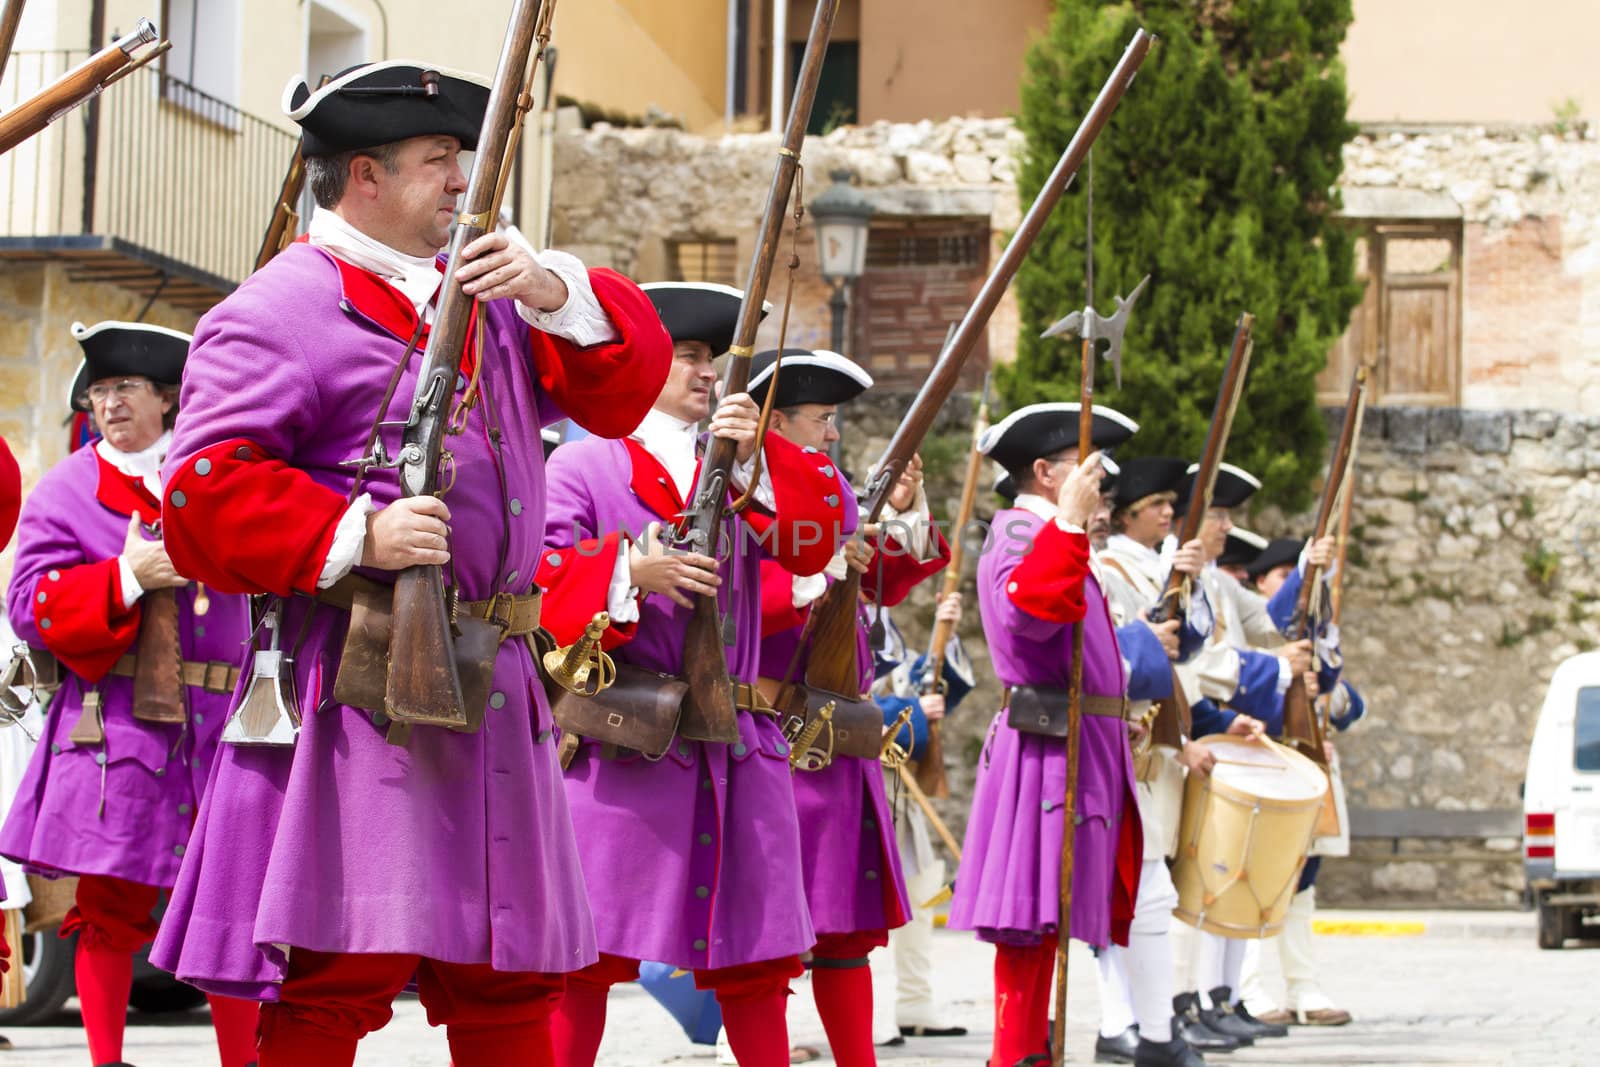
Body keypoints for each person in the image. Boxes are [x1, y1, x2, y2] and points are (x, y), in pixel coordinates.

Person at [148, 61, 672, 1067]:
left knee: (506, 965)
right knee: (338, 966)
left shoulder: (482, 301)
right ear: (364, 176)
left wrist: (552, 285)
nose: (462, 186)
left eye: (463, 162)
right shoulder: (278, 308)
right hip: (368, 677)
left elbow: (618, 393)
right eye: (439, 162)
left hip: (499, 674)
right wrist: (358, 535)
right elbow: (203, 493)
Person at [537, 284, 850, 1067]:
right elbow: (537, 581)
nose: (706, 372)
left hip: (739, 746)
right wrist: (629, 570)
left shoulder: (745, 470)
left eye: (712, 358)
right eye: (688, 355)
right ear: (644, 360)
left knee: (756, 961)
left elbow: (815, 544)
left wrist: (761, 459)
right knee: (584, 958)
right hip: (626, 740)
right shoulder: (583, 462)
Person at [1, 322, 260, 1067]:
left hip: (217, 735)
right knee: (107, 912)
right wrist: (126, 575)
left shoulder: (213, 477)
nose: (109, 404)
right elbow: (30, 603)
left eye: (126, 389)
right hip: (112, 733)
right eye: (101, 391)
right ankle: (106, 1061)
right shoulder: (67, 489)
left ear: (168, 400)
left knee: (228, 912)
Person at [748, 347, 950, 1066]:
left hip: (835, 729)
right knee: (763, 933)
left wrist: (899, 514)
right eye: (821, 418)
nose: (833, 434)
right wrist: (827, 566)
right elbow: (742, 594)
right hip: (771, 730)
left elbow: (885, 582)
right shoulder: (742, 489)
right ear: (779, 420)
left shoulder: (830, 488)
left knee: (844, 929)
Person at [948, 402, 1144, 1067]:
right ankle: (1015, 1054)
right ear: (1044, 472)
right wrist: (1066, 525)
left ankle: (1032, 1050)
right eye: (1084, 473)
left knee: (1047, 925)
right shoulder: (1021, 534)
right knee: (1027, 924)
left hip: (1079, 745)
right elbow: (1026, 615)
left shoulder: (1056, 537)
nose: (1099, 492)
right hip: (1045, 751)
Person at [1091, 457, 1228, 1066]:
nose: (1169, 513)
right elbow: (1118, 645)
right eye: (1157, 505)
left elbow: (1190, 644)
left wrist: (1187, 582)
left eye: (1173, 504)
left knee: (1150, 888)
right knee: (1127, 887)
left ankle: (1151, 1021)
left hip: (1156, 736)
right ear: (1126, 515)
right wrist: (1156, 625)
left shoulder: (1155, 564)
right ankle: (1121, 1018)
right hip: (1125, 737)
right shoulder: (1111, 566)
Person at [1237, 536, 1362, 1028]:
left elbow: (1347, 701)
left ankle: (1304, 986)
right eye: (1284, 574)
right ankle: (1246, 989)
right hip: (1260, 765)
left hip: (1305, 763)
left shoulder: (1308, 635)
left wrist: (1322, 700)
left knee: (1303, 884)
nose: (1297, 584)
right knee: (1253, 882)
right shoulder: (1252, 632)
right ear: (1261, 582)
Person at [866, 591, 974, 1047]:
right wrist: (909, 713)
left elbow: (920, 684)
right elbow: (833, 700)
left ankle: (915, 1001)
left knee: (919, 890)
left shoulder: (879, 619)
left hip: (897, 783)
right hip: (856, 780)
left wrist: (943, 634)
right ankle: (867, 1012)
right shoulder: (826, 606)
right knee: (862, 906)